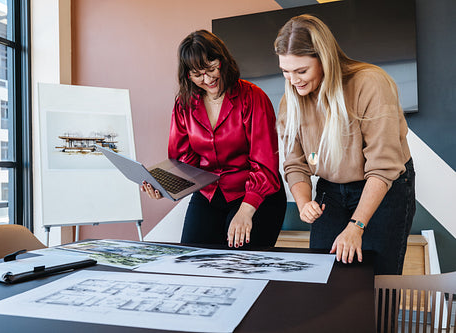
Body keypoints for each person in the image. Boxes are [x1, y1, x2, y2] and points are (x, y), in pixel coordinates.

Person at [274, 14, 415, 275]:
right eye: (286, 72)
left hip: (383, 184)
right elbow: (294, 164)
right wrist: (304, 202)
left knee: (375, 279)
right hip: (332, 189)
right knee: (323, 274)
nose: (294, 81)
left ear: (324, 59)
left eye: (301, 71)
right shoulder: (290, 100)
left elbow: (383, 167)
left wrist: (356, 226)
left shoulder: (370, 83)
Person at [142, 30, 287, 249]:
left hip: (255, 193)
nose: (208, 79)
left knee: (238, 263)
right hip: (209, 193)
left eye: (211, 69)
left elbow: (265, 163)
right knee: (190, 258)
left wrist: (246, 211)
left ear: (223, 61)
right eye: (198, 74)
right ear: (187, 75)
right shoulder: (184, 104)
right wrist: (164, 187)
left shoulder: (253, 97)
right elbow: (183, 160)